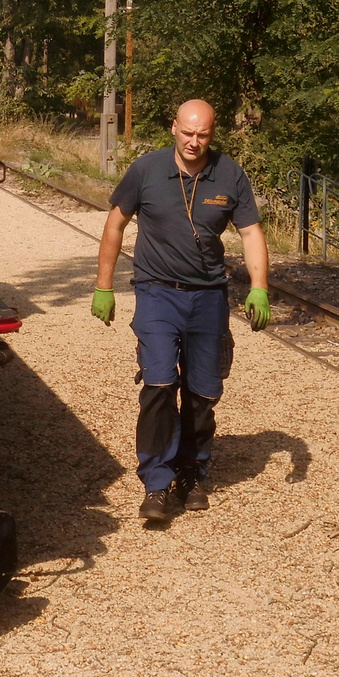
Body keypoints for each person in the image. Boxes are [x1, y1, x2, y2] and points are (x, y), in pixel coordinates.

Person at [91, 99, 271, 522]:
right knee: (158, 382)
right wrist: (103, 287)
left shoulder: (229, 174)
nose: (194, 141)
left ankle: (191, 471)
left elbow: (250, 232)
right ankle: (156, 482)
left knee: (202, 391)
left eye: (203, 134)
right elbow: (114, 224)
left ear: (213, 133)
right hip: (156, 292)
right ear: (174, 128)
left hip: (208, 297)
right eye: (187, 132)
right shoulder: (146, 170)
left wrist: (260, 287)